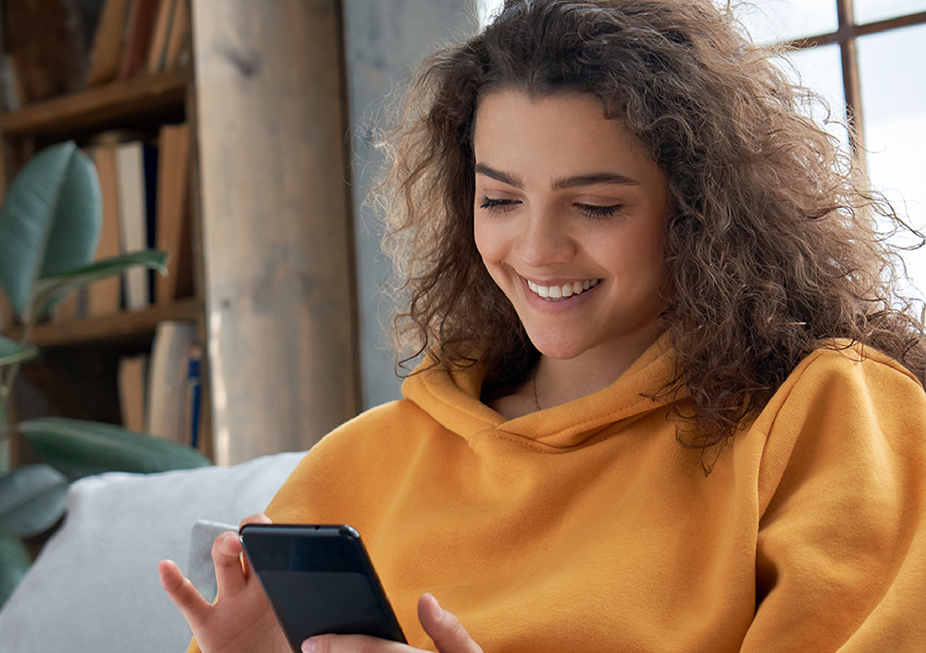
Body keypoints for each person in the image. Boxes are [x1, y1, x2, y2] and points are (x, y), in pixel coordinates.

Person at [159, 0, 926, 650]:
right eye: (499, 200)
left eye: (595, 205)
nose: (536, 250)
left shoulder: (828, 414)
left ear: (699, 211)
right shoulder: (359, 463)